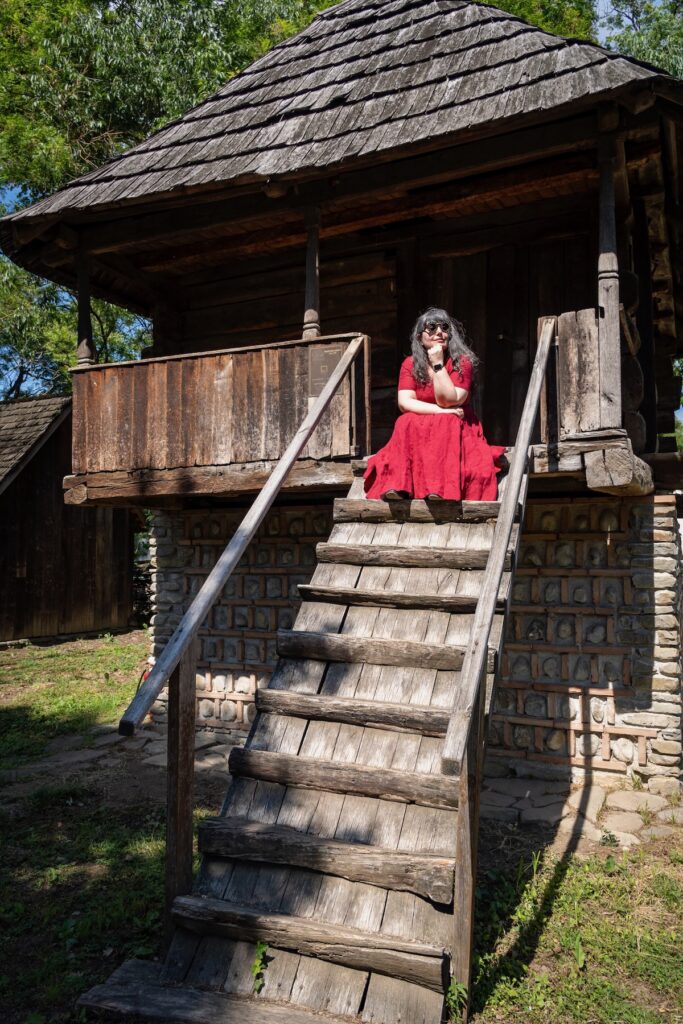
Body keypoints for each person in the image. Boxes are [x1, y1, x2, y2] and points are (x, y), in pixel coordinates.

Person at [363, 307, 506, 501]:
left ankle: (438, 489)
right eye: (431, 327)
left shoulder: (461, 362)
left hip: (455, 427)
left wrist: (438, 364)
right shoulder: (410, 364)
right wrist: (441, 411)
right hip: (427, 424)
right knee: (404, 421)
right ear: (420, 337)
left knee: (446, 422)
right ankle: (398, 487)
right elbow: (405, 403)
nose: (439, 332)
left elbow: (449, 400)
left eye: (444, 327)